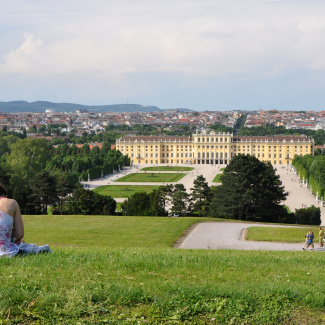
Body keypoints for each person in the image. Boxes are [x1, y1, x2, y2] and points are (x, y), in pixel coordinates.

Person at [0, 184, 51, 257]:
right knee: (22, 242)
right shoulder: (11, 202)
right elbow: (19, 234)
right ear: (5, 196)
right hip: (5, 252)